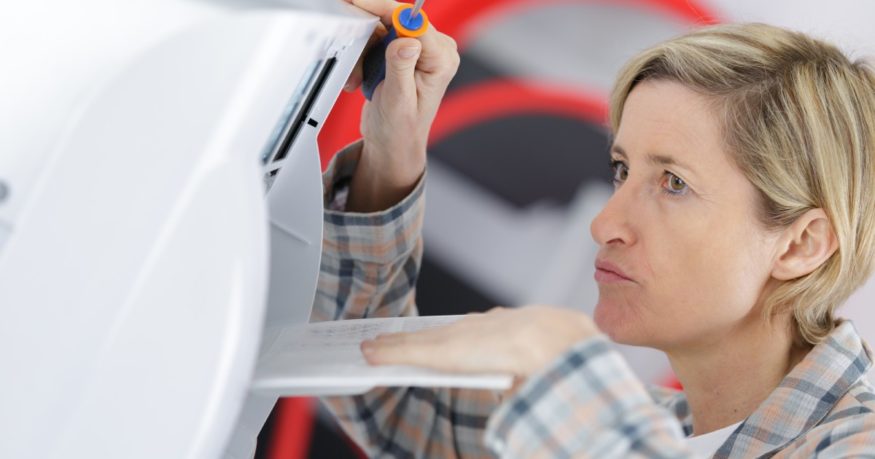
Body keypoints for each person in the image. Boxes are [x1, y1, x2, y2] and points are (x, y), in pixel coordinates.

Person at [310, 0, 875, 456]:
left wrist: (561, 365)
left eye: (673, 182)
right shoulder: (660, 431)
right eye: (622, 170)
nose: (606, 223)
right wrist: (392, 151)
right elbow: (398, 409)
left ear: (801, 245)